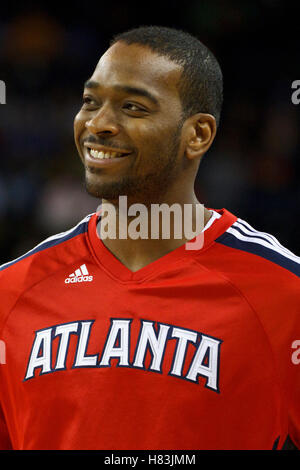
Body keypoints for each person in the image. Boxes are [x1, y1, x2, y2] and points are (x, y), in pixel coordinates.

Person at [0, 25, 299, 450]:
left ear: (197, 135)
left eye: (132, 107)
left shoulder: (283, 294)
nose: (98, 124)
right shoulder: (11, 291)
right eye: (90, 101)